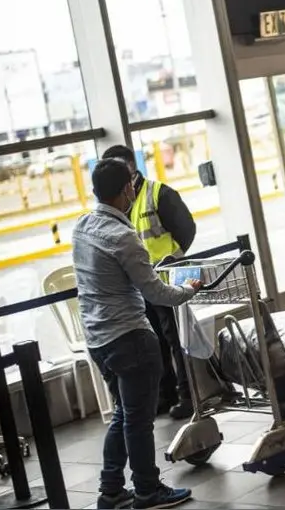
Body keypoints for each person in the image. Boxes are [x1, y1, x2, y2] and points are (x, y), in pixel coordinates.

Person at [72, 158, 200, 509]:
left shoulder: (82, 227)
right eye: (131, 184)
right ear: (127, 189)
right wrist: (188, 288)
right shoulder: (123, 237)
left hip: (99, 341)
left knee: (123, 416)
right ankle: (147, 490)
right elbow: (156, 294)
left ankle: (111, 490)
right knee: (139, 422)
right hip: (130, 339)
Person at [100, 145, 197, 420]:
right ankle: (166, 395)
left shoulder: (158, 193)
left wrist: (171, 261)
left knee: (176, 339)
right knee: (154, 343)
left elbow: (186, 230)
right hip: (139, 286)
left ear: (133, 168)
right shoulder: (118, 204)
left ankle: (188, 395)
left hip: (166, 280)